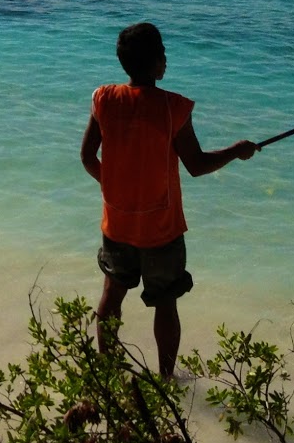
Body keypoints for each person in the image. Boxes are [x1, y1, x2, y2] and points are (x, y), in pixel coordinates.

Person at [80, 22, 257, 377]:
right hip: (161, 229)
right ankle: (164, 379)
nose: (166, 60)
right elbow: (197, 164)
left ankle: (108, 374)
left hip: (117, 224)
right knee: (166, 302)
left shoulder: (104, 99)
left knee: (112, 295)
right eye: (163, 54)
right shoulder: (173, 108)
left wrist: (116, 188)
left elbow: (87, 157)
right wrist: (236, 151)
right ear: (157, 61)